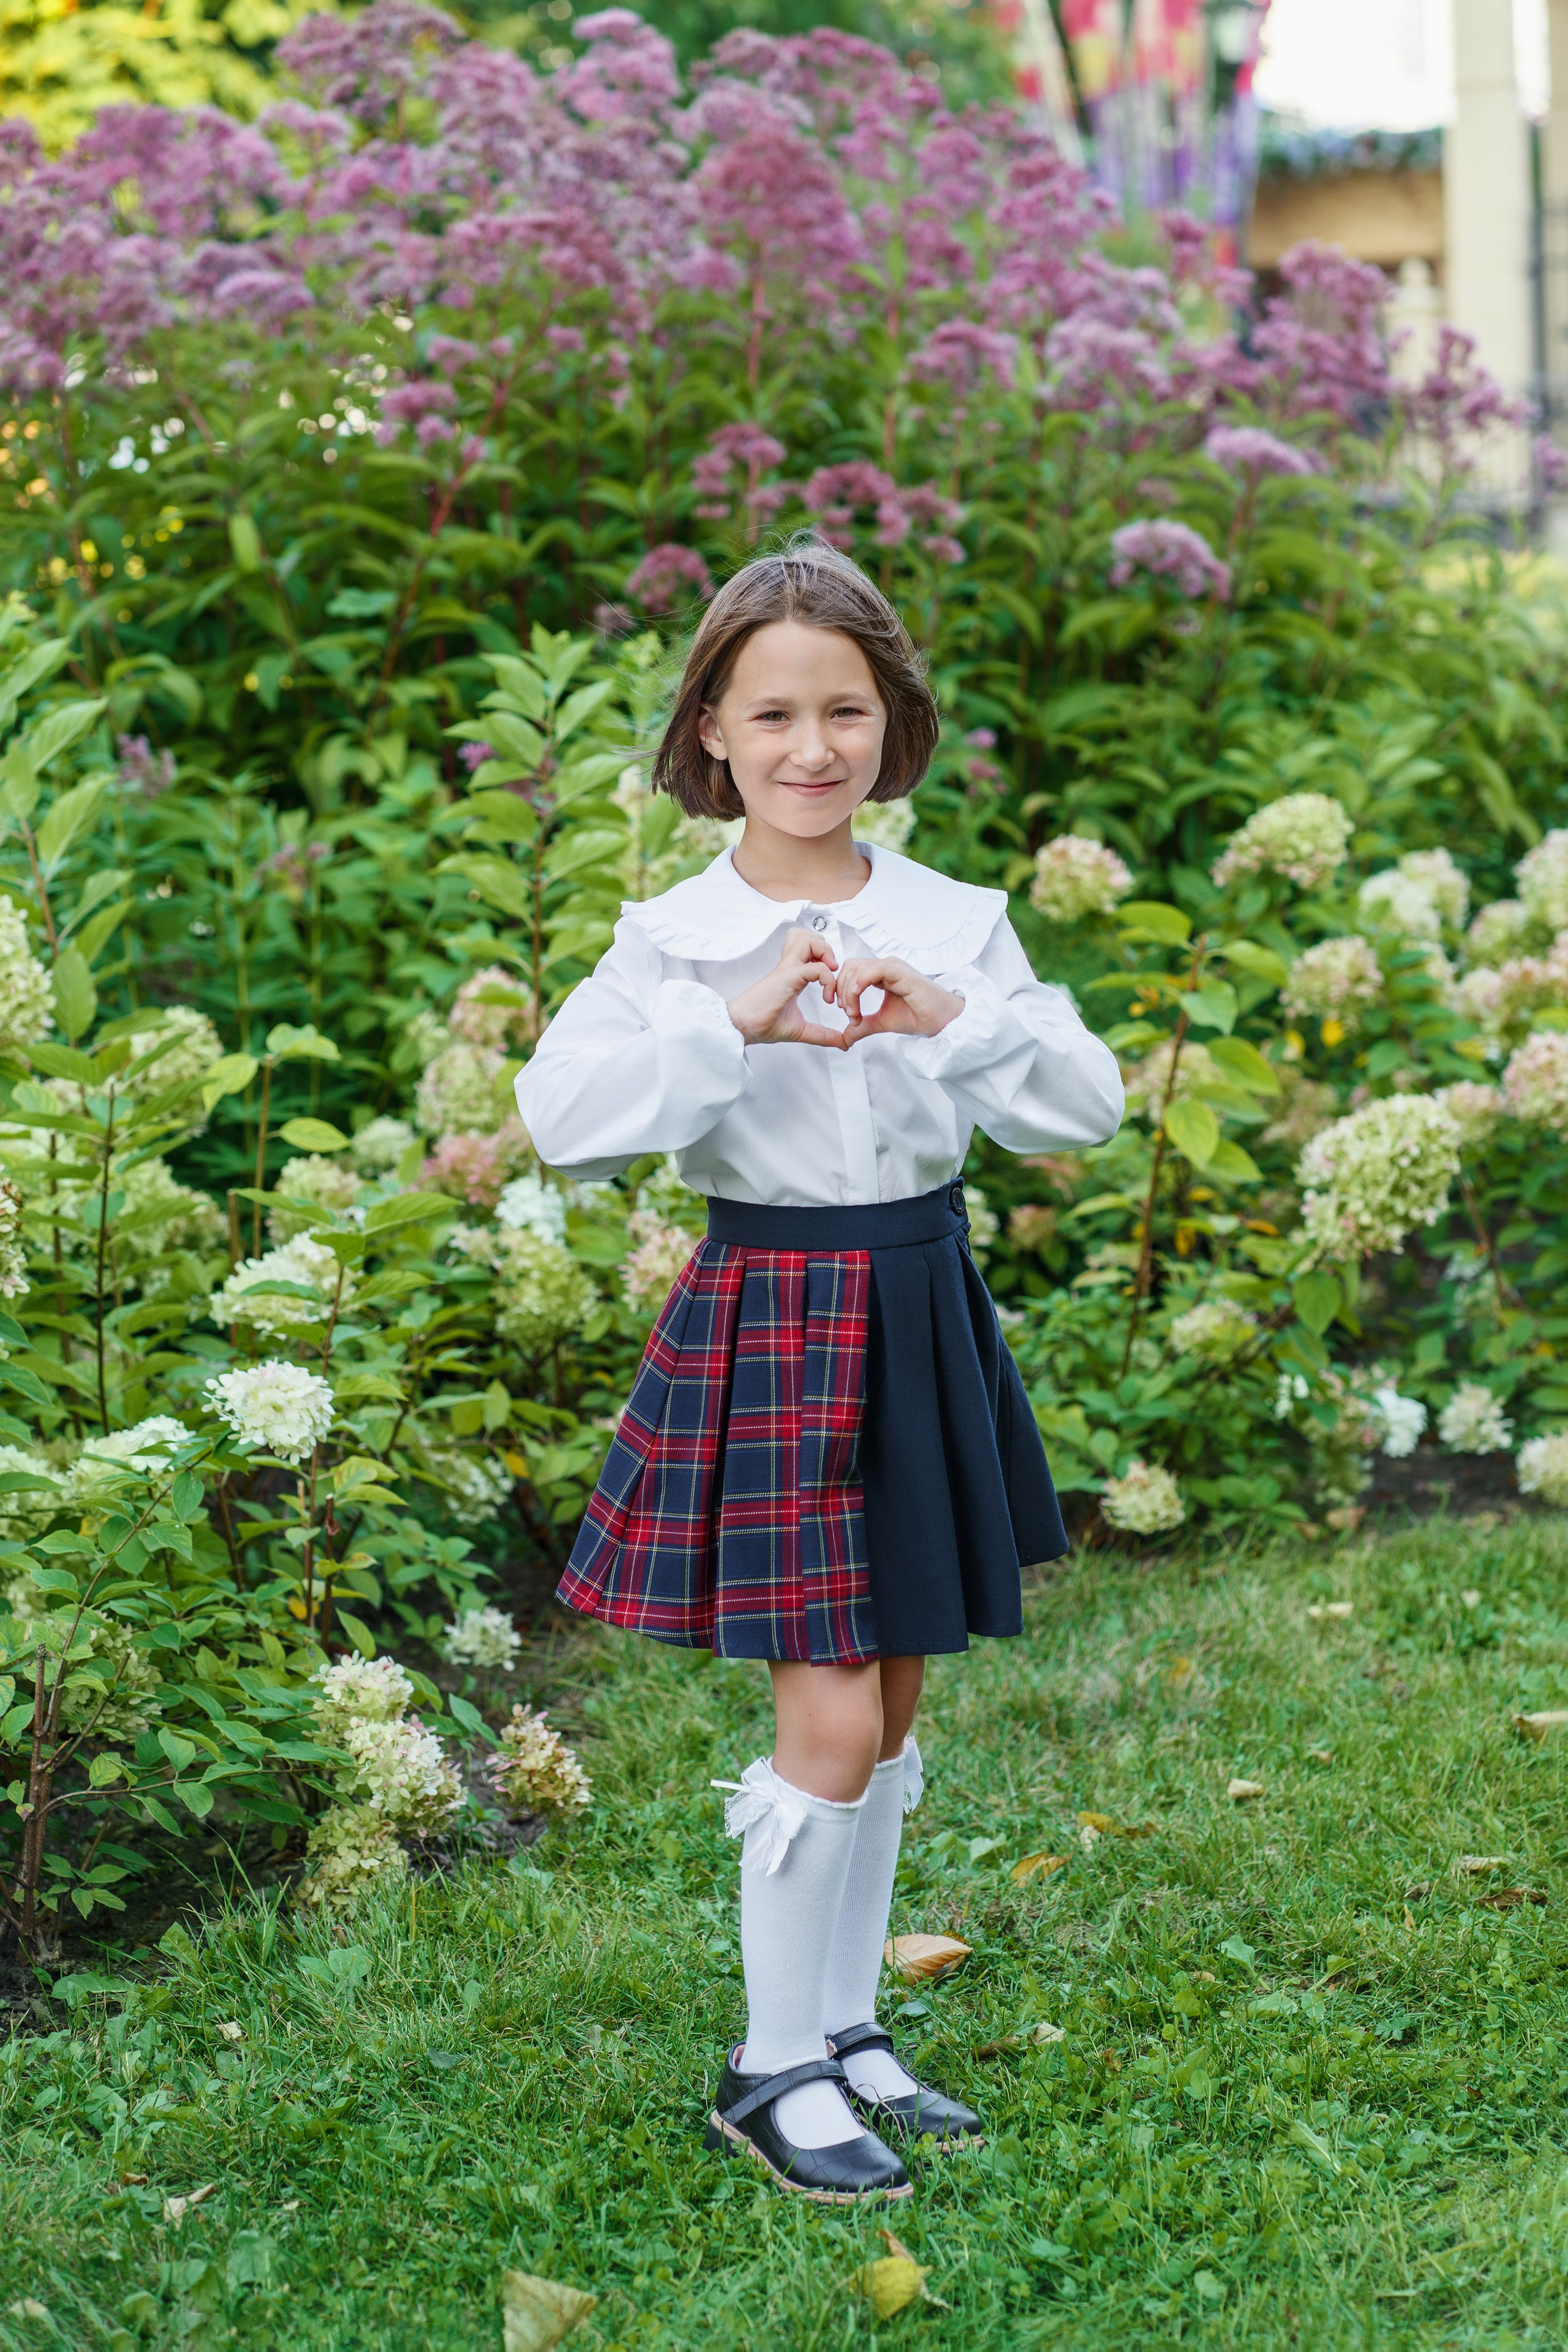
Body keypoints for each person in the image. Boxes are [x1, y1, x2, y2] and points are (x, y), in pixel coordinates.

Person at [516, 535, 1123, 2204]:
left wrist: (954, 1015)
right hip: (774, 1311)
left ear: (888, 724)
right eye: (771, 711)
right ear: (712, 725)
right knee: (830, 1712)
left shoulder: (955, 921)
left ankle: (846, 2029)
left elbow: (1085, 1109)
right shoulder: (673, 938)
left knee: (898, 1694)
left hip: (921, 1300)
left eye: (843, 710)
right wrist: (736, 1027)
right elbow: (562, 1121)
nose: (810, 748)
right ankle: (765, 2063)